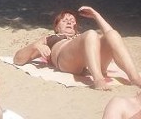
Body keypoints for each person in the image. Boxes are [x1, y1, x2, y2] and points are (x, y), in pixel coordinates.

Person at [13, 6, 141, 90]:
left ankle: (134, 77)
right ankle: (98, 80)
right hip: (65, 60)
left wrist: (96, 15)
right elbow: (18, 59)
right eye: (64, 20)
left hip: (86, 60)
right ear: (56, 27)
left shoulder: (82, 37)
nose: (69, 22)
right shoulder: (50, 38)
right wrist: (35, 46)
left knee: (112, 34)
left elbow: (110, 34)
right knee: (91, 33)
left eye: (72, 21)